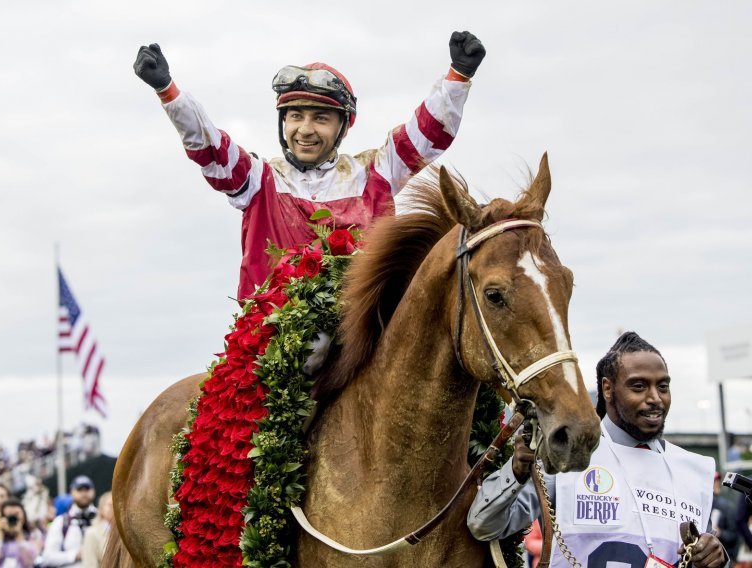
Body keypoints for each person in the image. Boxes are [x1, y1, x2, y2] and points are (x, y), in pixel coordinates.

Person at [133, 31, 486, 299]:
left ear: (342, 127)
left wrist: (457, 77)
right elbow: (209, 145)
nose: (305, 130)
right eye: (295, 116)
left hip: (364, 333)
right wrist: (169, 91)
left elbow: (426, 136)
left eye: (320, 118)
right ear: (283, 123)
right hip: (272, 343)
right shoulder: (257, 179)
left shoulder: (375, 172)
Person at [468, 331, 727, 568]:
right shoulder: (565, 454)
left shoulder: (694, 469)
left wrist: (719, 559)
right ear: (607, 389)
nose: (655, 398)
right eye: (639, 386)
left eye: (663, 386)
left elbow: (702, 556)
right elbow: (484, 527)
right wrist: (516, 470)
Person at [40, 476, 97, 568]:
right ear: (71, 492)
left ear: (93, 491)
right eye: (79, 489)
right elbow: (47, 557)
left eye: (87, 489)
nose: (83, 493)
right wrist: (74, 555)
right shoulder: (61, 522)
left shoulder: (102, 518)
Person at [0, 499, 43, 568]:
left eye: (16, 514)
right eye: (9, 515)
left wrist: (19, 535)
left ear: (24, 514)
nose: (13, 518)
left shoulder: (34, 533)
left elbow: (30, 561)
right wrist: (1, 534)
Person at [710, 472, 738, 562]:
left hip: (723, 557)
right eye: (714, 481)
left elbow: (734, 535)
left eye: (717, 481)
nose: (716, 484)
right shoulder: (703, 505)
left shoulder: (726, 506)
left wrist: (720, 533)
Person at [80, 491, 112, 568]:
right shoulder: (92, 533)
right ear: (101, 509)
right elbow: (89, 564)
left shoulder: (127, 534)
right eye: (110, 505)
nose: (113, 508)